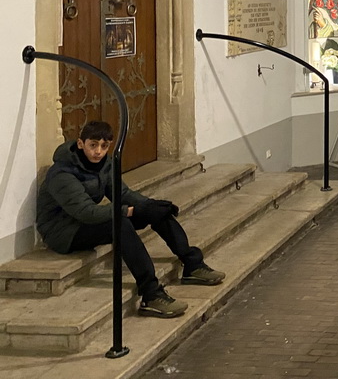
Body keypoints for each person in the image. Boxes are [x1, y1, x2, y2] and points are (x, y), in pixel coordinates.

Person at [36, 120, 226, 318]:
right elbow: (86, 212)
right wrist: (127, 211)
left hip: (85, 221)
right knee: (120, 223)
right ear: (80, 143)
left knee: (156, 211)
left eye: (104, 146)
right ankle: (151, 295)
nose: (98, 152)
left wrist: (150, 205)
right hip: (63, 232)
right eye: (93, 145)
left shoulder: (104, 165)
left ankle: (192, 264)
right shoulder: (62, 174)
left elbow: (123, 194)